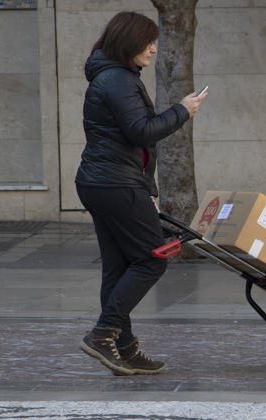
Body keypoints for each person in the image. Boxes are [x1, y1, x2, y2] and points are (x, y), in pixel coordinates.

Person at [75, 11, 208, 376]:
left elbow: (133, 147)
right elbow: (141, 133)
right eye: (148, 42)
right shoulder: (118, 80)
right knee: (153, 258)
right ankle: (103, 335)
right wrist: (182, 110)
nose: (153, 49)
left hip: (104, 181)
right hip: (115, 183)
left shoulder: (115, 76)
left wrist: (148, 189)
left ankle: (126, 348)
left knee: (118, 267)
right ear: (129, 43)